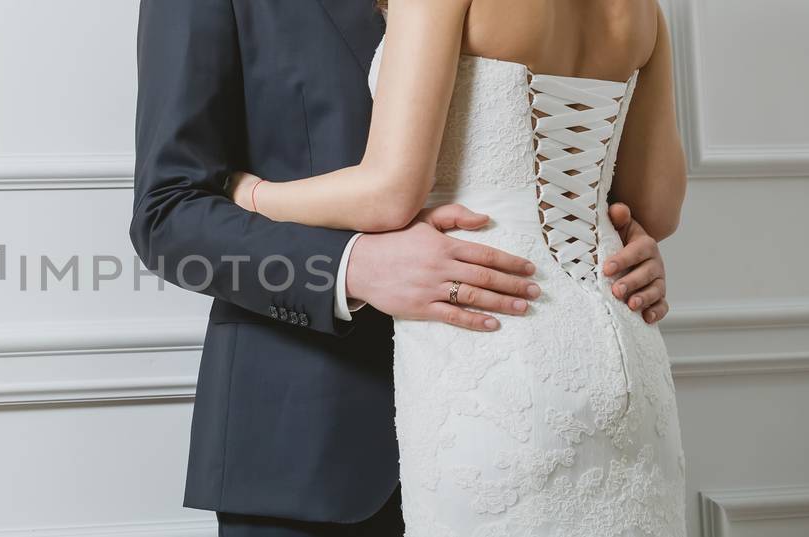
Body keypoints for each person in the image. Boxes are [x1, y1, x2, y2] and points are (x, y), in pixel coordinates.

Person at [130, 0, 685, 535]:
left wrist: (622, 239)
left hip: (523, 390)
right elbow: (166, 216)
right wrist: (350, 267)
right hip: (312, 447)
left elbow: (623, 202)